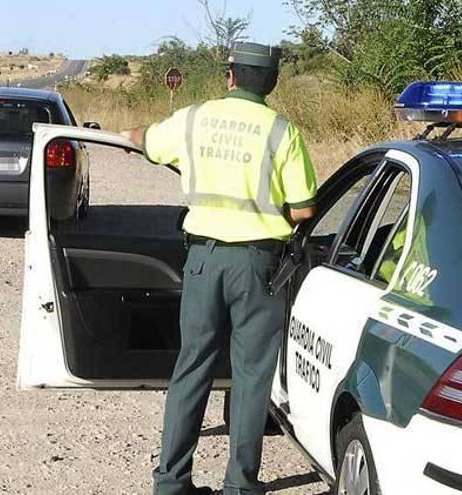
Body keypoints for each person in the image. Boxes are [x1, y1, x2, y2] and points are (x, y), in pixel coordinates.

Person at [120, 42, 318, 495]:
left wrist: (131, 135)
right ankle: (241, 484)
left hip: (204, 260)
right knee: (251, 377)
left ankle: (171, 482)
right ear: (271, 82)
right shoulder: (282, 132)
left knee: (192, 368)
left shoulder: (192, 118)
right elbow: (304, 210)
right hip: (259, 266)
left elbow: (145, 140)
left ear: (229, 77)